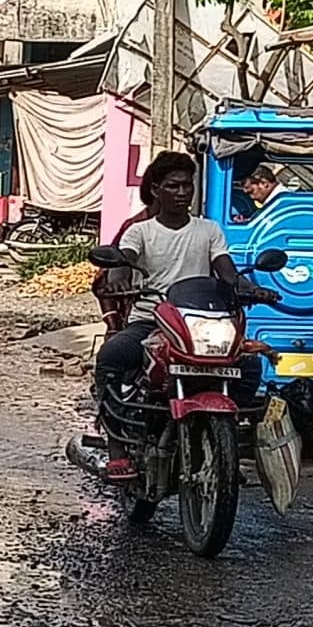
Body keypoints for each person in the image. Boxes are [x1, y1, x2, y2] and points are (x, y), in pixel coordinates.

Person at [95, 150, 277, 479]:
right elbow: (124, 261)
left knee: (249, 366)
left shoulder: (208, 230)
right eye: (173, 186)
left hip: (201, 324)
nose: (182, 193)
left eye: (187, 186)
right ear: (155, 190)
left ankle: (224, 447)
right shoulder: (141, 232)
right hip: (152, 321)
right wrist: (118, 279)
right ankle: (117, 450)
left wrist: (252, 289)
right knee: (111, 356)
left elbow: (227, 272)